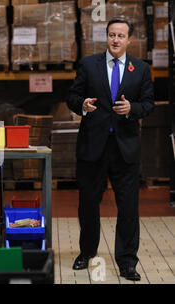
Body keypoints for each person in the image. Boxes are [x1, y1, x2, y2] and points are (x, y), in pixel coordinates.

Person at [66, 18, 154, 281]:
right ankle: (87, 252)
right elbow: (71, 97)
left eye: (121, 36)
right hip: (93, 147)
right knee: (88, 204)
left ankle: (127, 261)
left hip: (125, 149)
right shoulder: (88, 65)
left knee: (128, 207)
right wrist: (83, 105)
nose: (116, 40)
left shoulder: (140, 69)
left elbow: (149, 103)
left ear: (129, 40)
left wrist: (133, 109)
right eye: (112, 35)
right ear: (106, 37)